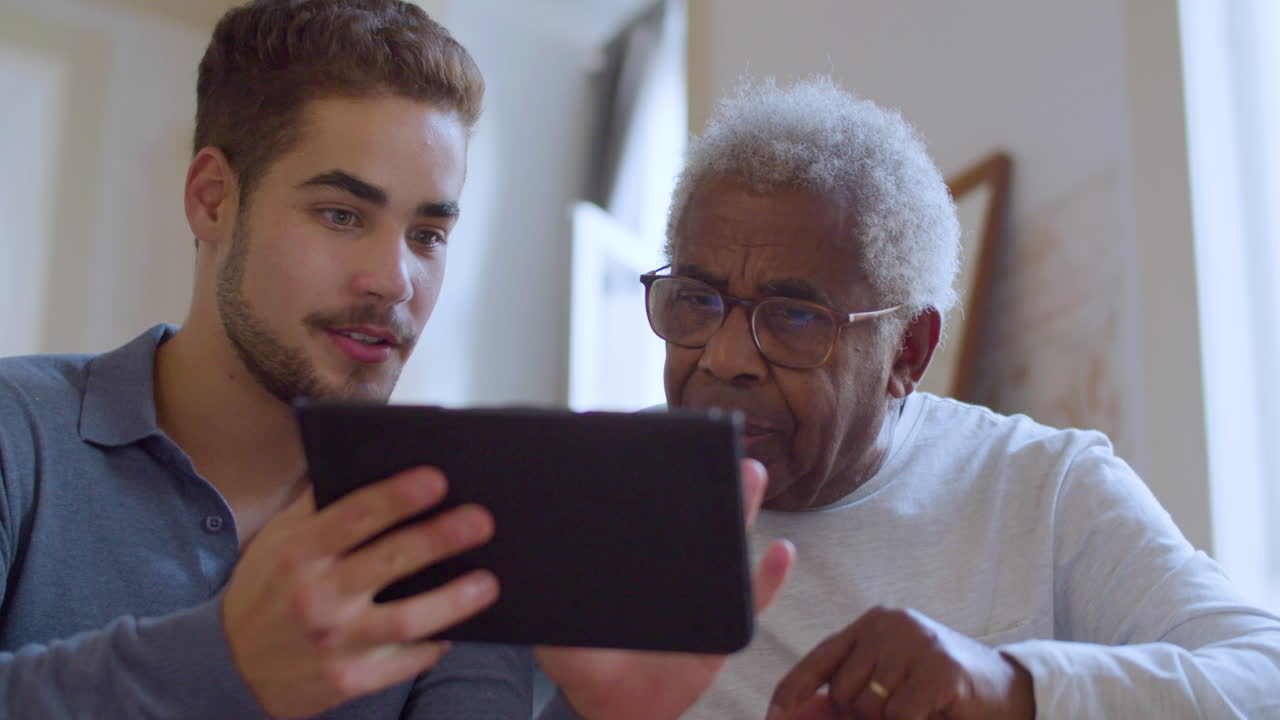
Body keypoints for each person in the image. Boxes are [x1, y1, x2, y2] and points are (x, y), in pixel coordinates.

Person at [0, 2, 792, 718]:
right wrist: (222, 665)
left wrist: (595, 717)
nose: (394, 281)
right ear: (212, 199)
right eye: (341, 214)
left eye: (428, 234)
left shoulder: (453, 518)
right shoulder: (17, 433)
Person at [645, 77, 1280, 719]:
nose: (725, 358)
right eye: (697, 301)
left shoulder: (1043, 489)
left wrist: (1015, 686)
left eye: (795, 316)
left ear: (908, 352)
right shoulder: (595, 492)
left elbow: (1264, 677)